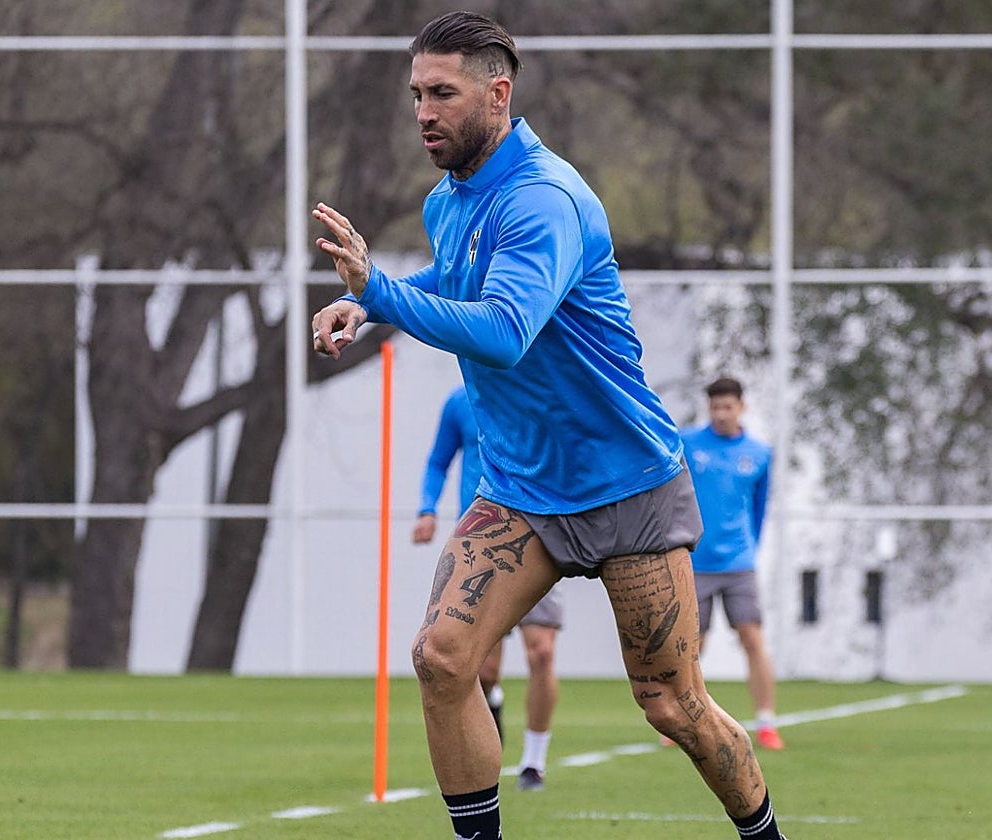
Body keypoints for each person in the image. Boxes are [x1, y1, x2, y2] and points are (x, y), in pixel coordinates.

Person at [311, 11, 787, 840]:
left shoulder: (545, 199)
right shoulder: (449, 202)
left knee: (674, 707)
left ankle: (765, 835)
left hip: (627, 486)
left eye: (443, 94)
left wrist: (382, 292)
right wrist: (366, 303)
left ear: (498, 94)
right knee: (442, 659)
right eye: (417, 93)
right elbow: (455, 280)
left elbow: (502, 329)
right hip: (524, 491)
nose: (424, 111)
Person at [412, 384, 564, 792]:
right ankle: (491, 703)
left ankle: (533, 763)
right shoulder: (459, 402)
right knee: (483, 670)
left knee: (542, 652)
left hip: (541, 536)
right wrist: (427, 508)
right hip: (480, 547)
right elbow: (438, 461)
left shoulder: (542, 390)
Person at [680, 376, 784, 751]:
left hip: (739, 564)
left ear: (741, 407)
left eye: (728, 406)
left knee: (753, 639)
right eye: (715, 407)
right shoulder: (688, 443)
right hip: (695, 563)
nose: (721, 414)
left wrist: (749, 549)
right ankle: (682, 720)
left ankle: (767, 722)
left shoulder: (759, 453)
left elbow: (759, 508)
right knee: (691, 645)